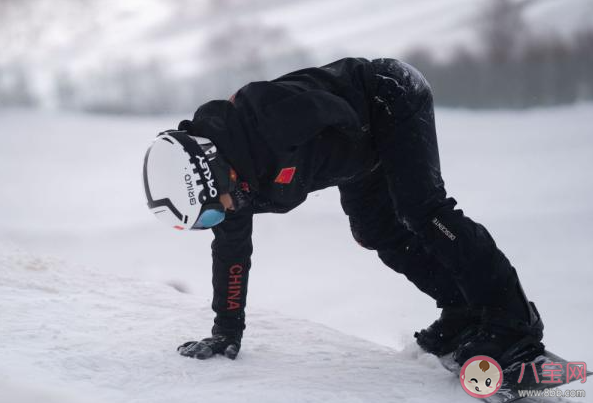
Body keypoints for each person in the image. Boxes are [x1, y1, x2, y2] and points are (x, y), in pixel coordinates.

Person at [142, 57, 544, 365]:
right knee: (374, 231)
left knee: (423, 210)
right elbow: (232, 256)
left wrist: (365, 142)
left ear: (211, 171)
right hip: (357, 156)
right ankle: (462, 308)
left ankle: (513, 320)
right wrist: (225, 331)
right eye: (209, 220)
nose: (221, 217)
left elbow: (327, 105)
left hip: (389, 98)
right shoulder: (236, 190)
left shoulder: (268, 121)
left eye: (212, 212)